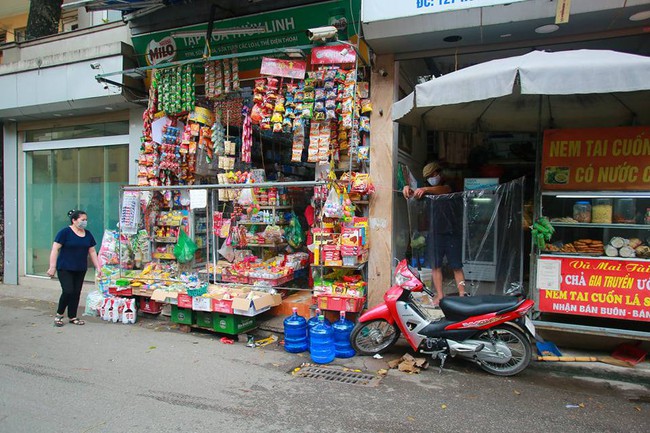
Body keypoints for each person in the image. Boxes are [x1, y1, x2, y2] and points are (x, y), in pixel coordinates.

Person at [402, 162, 466, 306]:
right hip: (435, 232)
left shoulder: (449, 184)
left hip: (452, 232)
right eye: (428, 177)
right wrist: (407, 189)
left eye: (433, 175)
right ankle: (440, 296)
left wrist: (425, 189)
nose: (431, 178)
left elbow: (445, 190)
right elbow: (414, 193)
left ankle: (463, 294)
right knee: (435, 266)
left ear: (439, 173)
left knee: (456, 265)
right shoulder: (426, 189)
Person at [47, 210, 102, 327]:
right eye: (82, 220)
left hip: (80, 268)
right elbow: (55, 249)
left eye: (86, 220)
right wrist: (52, 267)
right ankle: (59, 314)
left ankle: (72, 316)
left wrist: (98, 267)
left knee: (76, 292)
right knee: (68, 291)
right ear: (74, 220)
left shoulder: (87, 234)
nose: (85, 222)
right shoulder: (65, 233)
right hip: (65, 267)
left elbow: (92, 251)